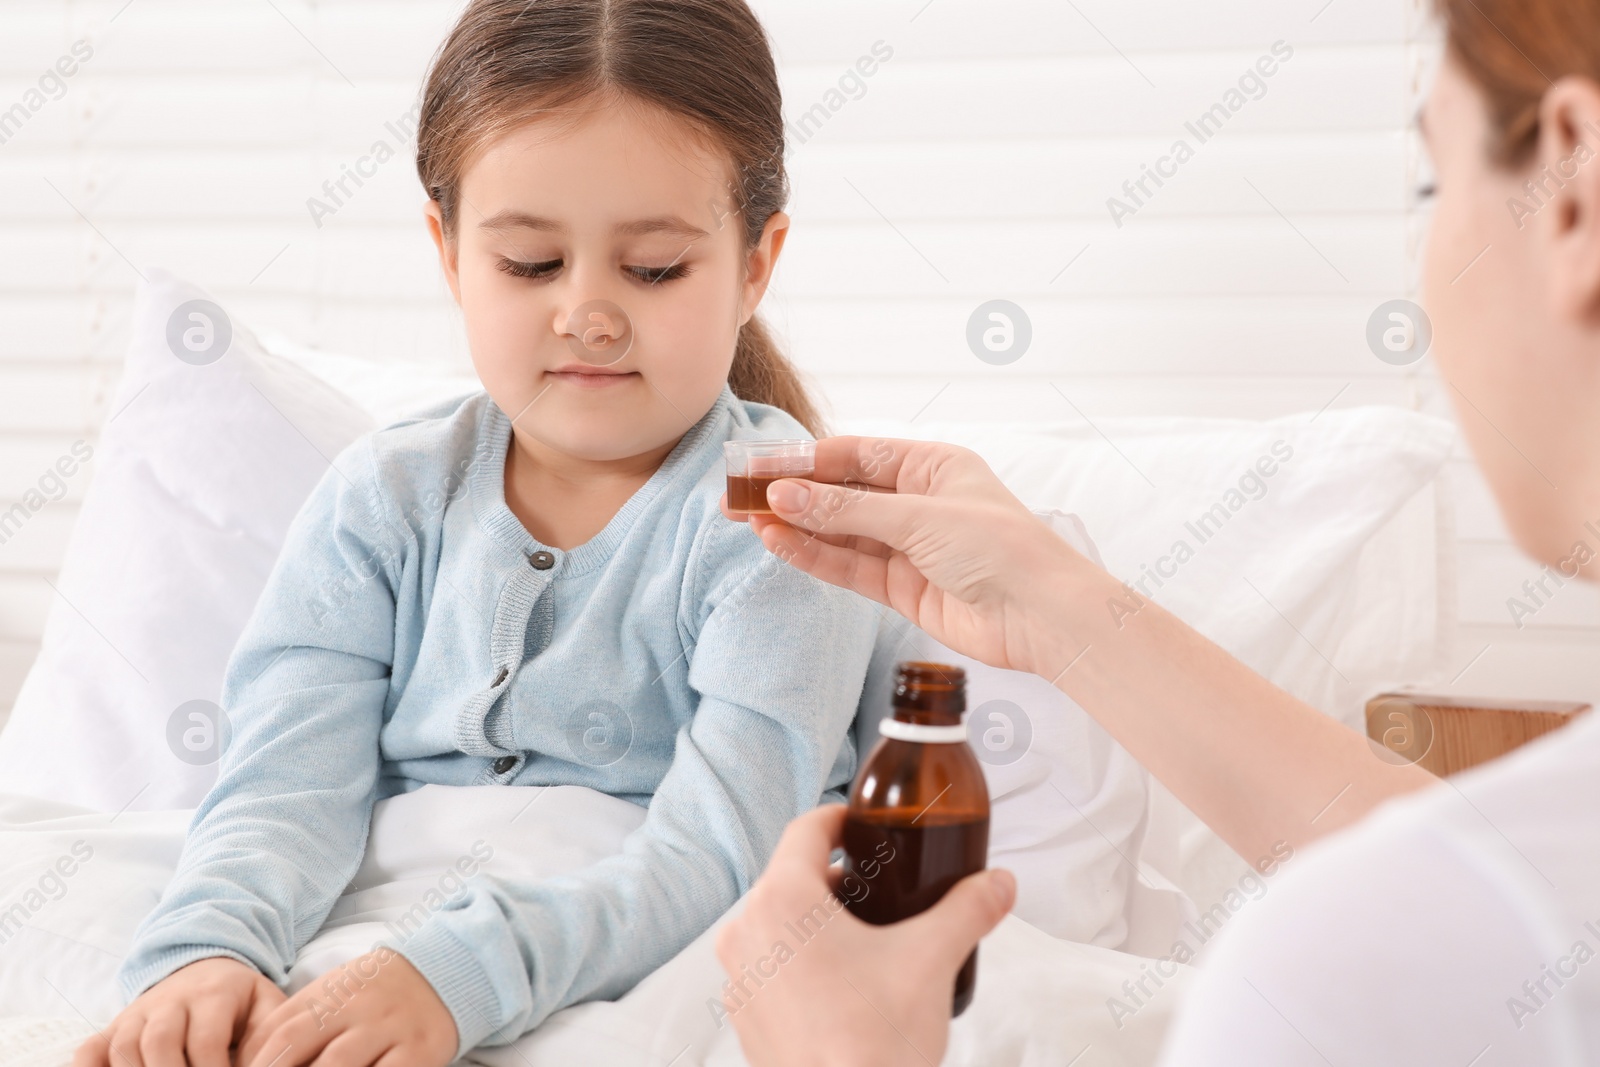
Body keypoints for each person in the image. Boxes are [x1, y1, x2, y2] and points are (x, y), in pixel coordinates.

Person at [714, 0, 1600, 1062]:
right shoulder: (1502, 896)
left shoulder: (1334, 973)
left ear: (1570, 196)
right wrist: (1053, 607)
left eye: (1432, 182)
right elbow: (1475, 872)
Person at [71, 4, 882, 1067]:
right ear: (450, 253)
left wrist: (467, 973)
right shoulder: (383, 495)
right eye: (533, 263)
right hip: (382, 941)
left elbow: (725, 847)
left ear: (755, 263)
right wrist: (209, 946)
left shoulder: (776, 510)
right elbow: (284, 783)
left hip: (654, 953)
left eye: (652, 269)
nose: (587, 312)